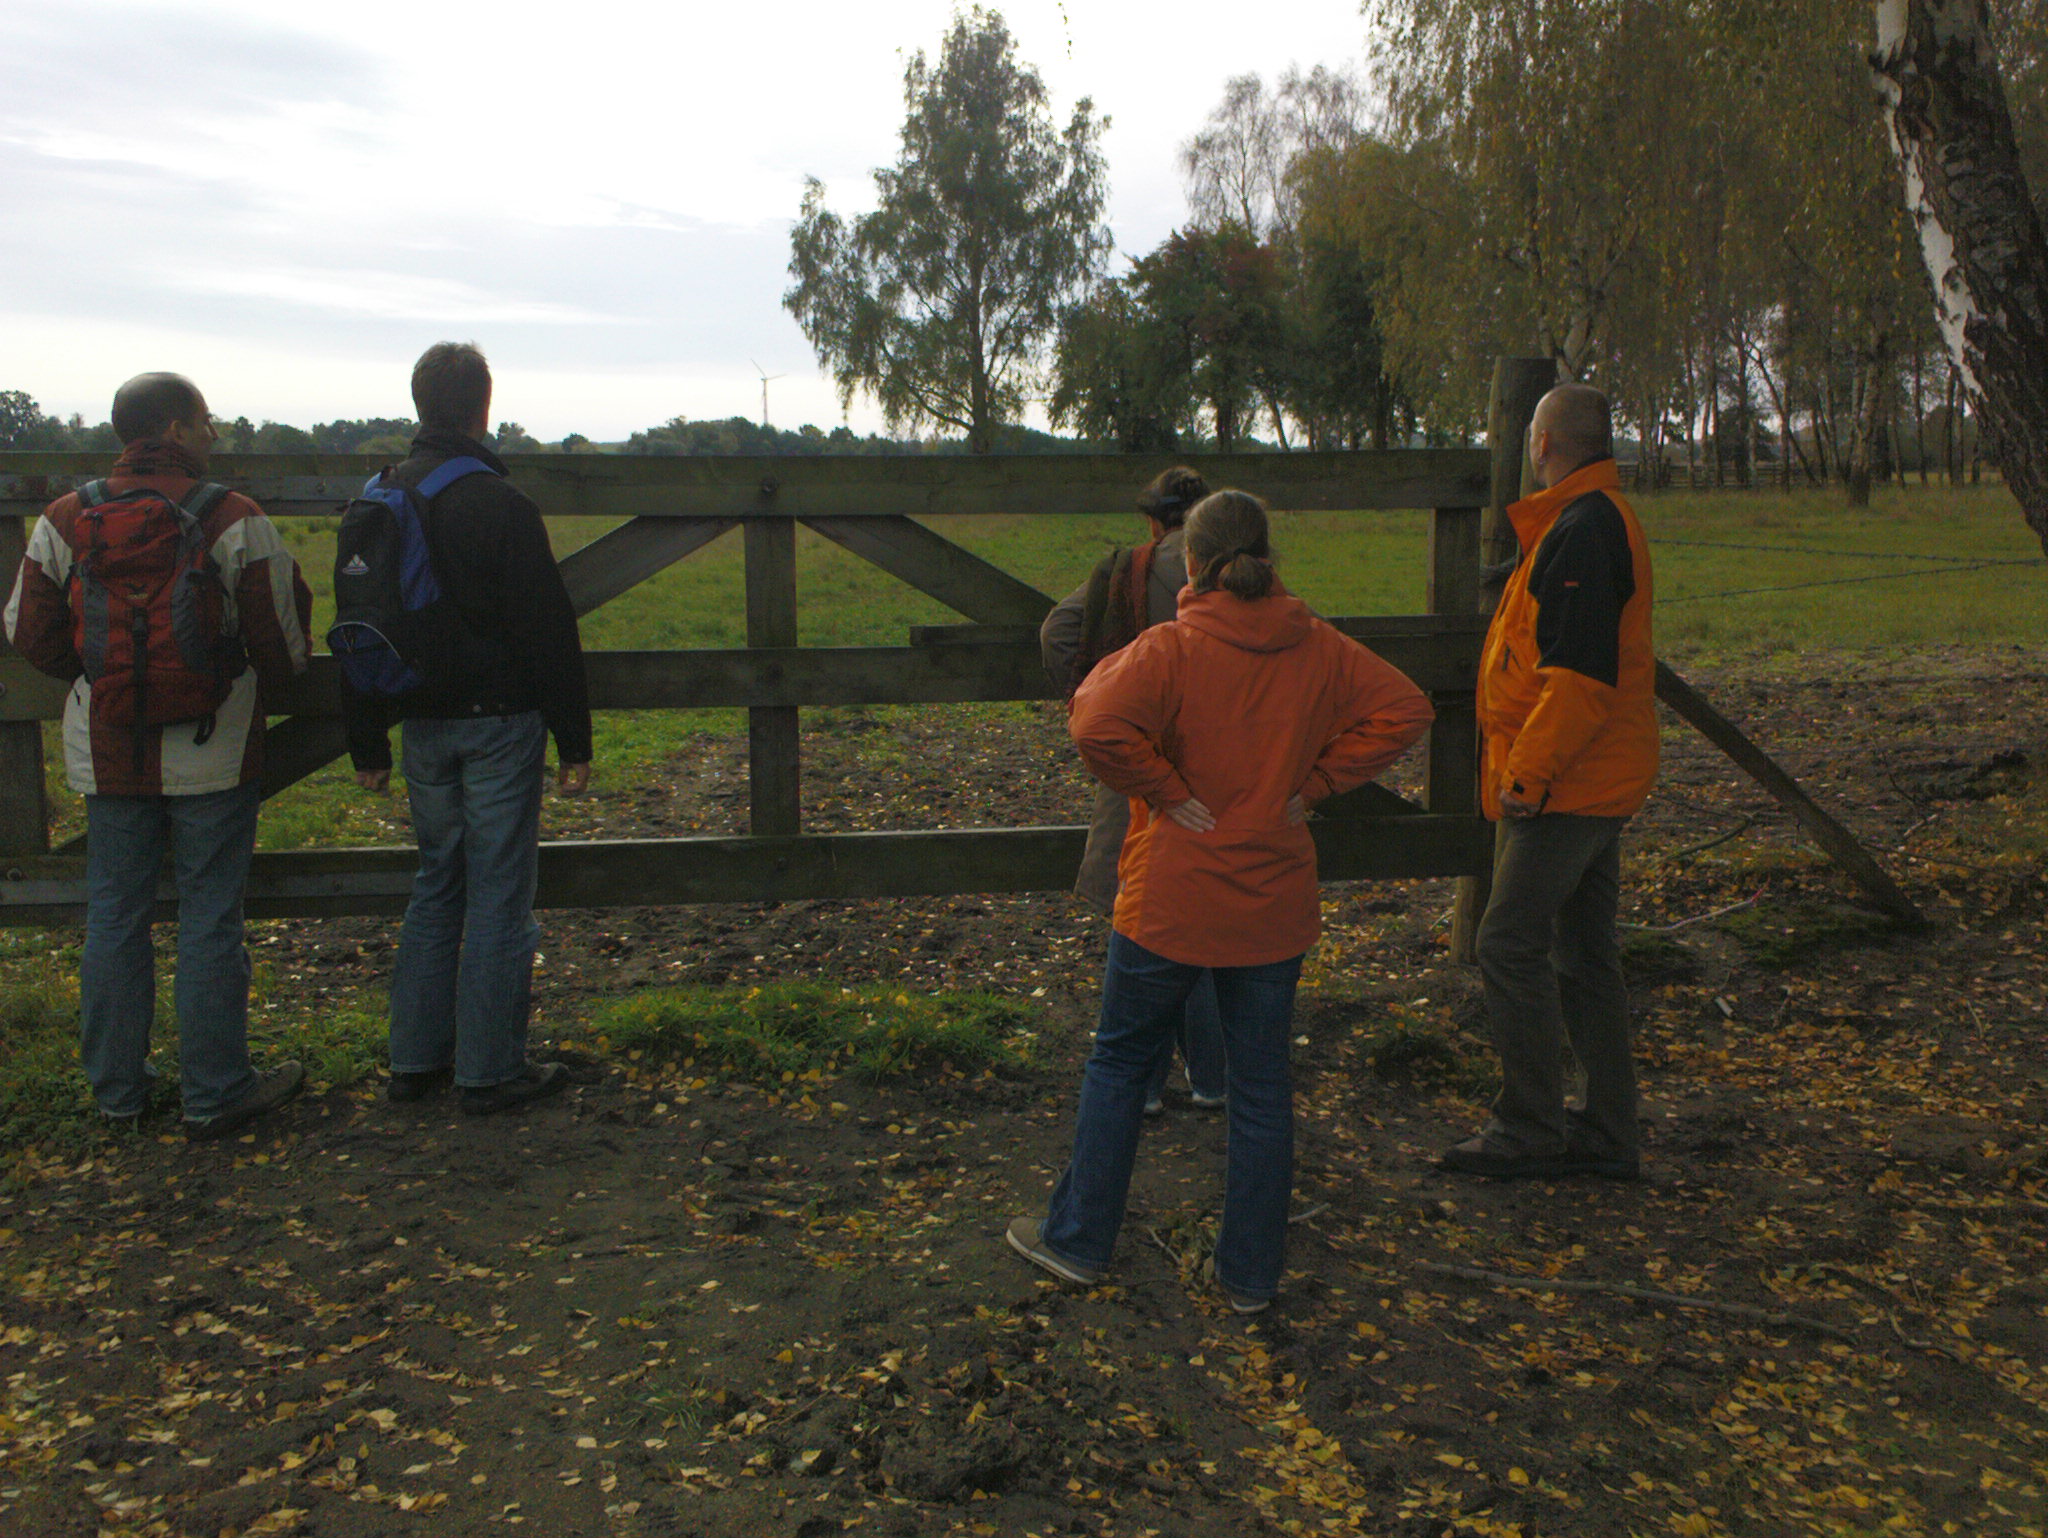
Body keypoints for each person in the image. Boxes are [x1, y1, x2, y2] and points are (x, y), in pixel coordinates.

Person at [1009, 491, 1434, 1312]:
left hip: (1171, 897)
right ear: (1269, 555)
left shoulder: (1170, 648)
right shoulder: (1318, 647)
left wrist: (1164, 790)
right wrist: (1313, 787)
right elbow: (1406, 708)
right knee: (1263, 1085)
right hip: (1272, 902)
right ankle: (1248, 1277)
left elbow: (1093, 723)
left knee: (1120, 1062)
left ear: (1191, 563)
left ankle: (1078, 1240)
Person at [4, 372, 312, 1139]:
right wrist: (251, 685)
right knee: (211, 918)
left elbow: (28, 631)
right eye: (205, 422)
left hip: (108, 750)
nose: (214, 434)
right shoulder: (235, 518)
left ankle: (118, 1096)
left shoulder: (63, 517)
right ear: (173, 430)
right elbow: (282, 639)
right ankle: (216, 1092)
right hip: (214, 749)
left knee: (115, 916)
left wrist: (97, 680)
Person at [346, 342, 591, 1116]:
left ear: (419, 404)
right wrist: (574, 738)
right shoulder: (500, 504)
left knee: (436, 887)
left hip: (421, 725)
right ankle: (489, 1071)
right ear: (485, 405)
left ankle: (413, 1064)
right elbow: (548, 629)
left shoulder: (378, 496)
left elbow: (358, 624)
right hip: (499, 724)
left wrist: (365, 739)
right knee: (498, 896)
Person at [1439, 383, 1657, 1181]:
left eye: (1533, 436)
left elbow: (1578, 680)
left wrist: (1525, 778)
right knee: (1584, 954)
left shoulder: (1583, 530)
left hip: (1566, 785)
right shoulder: (1582, 523)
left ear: (1544, 444)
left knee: (1508, 942)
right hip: (1593, 779)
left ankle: (1529, 1126)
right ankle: (1606, 1129)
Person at [1040, 467, 1225, 1116]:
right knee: (1200, 921)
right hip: (1227, 768)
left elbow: (1057, 633)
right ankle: (1211, 1076)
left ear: (1154, 520)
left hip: (1144, 763)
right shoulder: (1240, 574)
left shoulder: (1129, 569)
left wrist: (1091, 703)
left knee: (1145, 919)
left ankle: (1142, 1083)